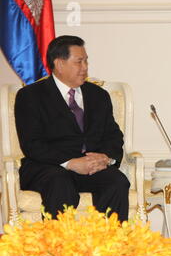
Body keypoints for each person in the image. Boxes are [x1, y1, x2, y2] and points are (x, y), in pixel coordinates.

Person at [15, 35, 130, 221]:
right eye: (79, 62)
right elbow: (32, 144)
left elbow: (113, 135)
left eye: (86, 61)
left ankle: (109, 246)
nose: (85, 67)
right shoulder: (31, 96)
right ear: (59, 64)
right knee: (59, 182)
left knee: (116, 181)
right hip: (48, 167)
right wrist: (71, 163)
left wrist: (106, 158)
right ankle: (61, 248)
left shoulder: (98, 95)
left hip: (90, 167)